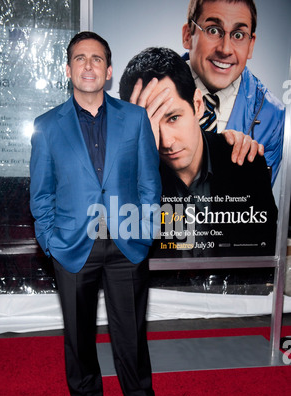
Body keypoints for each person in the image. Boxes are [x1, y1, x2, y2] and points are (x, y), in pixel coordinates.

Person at [30, 32, 178, 396]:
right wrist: (50, 240)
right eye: (80, 58)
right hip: (72, 246)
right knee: (78, 335)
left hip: (128, 242)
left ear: (109, 71)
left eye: (97, 59)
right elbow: (40, 194)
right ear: (68, 69)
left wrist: (147, 230)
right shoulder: (46, 126)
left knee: (130, 329)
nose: (89, 65)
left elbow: (150, 181)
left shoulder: (134, 119)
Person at [119, 47, 278, 258]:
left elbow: (267, 257)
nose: (166, 141)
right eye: (149, 127)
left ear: (197, 104)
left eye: (173, 118)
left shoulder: (245, 162)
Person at [181, 0, 285, 186]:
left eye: (238, 35)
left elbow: (257, 205)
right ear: (188, 35)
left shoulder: (273, 117)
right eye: (213, 30)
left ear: (251, 45)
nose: (225, 49)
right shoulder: (147, 93)